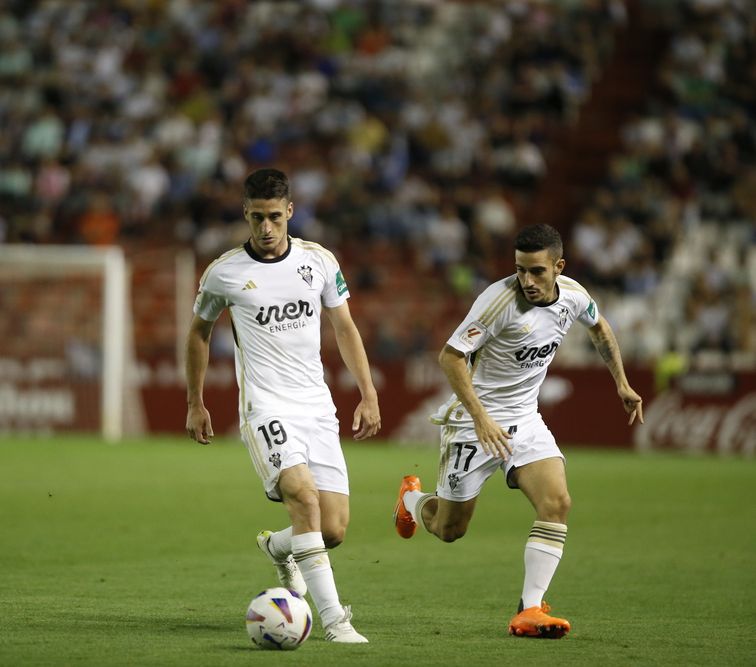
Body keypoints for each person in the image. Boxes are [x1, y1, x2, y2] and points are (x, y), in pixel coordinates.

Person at [393, 223, 643, 639]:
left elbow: (599, 327)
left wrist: (621, 381)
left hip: (525, 421)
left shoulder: (575, 296)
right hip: (474, 426)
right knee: (450, 530)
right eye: (520, 270)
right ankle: (413, 499)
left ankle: (529, 609)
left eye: (537, 272)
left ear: (558, 267)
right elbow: (451, 357)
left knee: (557, 502)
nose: (527, 280)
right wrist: (480, 417)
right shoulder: (497, 302)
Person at [185, 168, 381, 643]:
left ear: (290, 211)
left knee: (331, 528)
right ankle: (335, 620)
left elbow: (345, 328)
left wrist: (368, 393)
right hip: (265, 409)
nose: (266, 228)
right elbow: (199, 331)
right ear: (245, 214)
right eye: (257, 218)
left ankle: (277, 547)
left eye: (275, 217)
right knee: (305, 499)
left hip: (317, 408)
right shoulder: (225, 272)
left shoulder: (318, 261)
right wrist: (196, 401)